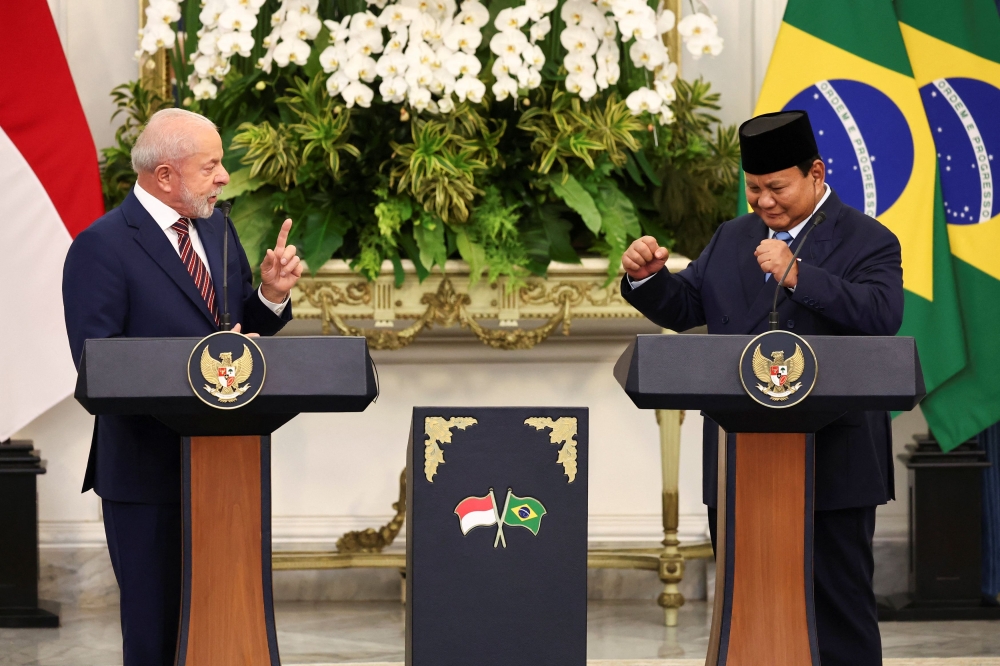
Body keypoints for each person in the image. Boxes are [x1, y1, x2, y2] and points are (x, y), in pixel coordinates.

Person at [621, 110, 903, 666]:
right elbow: (686, 307)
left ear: (816, 174)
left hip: (835, 464)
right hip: (740, 464)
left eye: (777, 187)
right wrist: (646, 278)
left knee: (839, 609)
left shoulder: (869, 239)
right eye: (754, 189)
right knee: (747, 606)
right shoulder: (732, 238)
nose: (764, 202)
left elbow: (882, 314)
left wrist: (799, 274)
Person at [62, 108, 304, 666]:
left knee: (226, 623)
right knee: (155, 633)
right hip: (145, 473)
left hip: (226, 467)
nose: (224, 178)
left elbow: (237, 338)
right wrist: (190, 368)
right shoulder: (101, 247)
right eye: (211, 166)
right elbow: (96, 365)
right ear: (165, 175)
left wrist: (269, 296)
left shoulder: (217, 229)